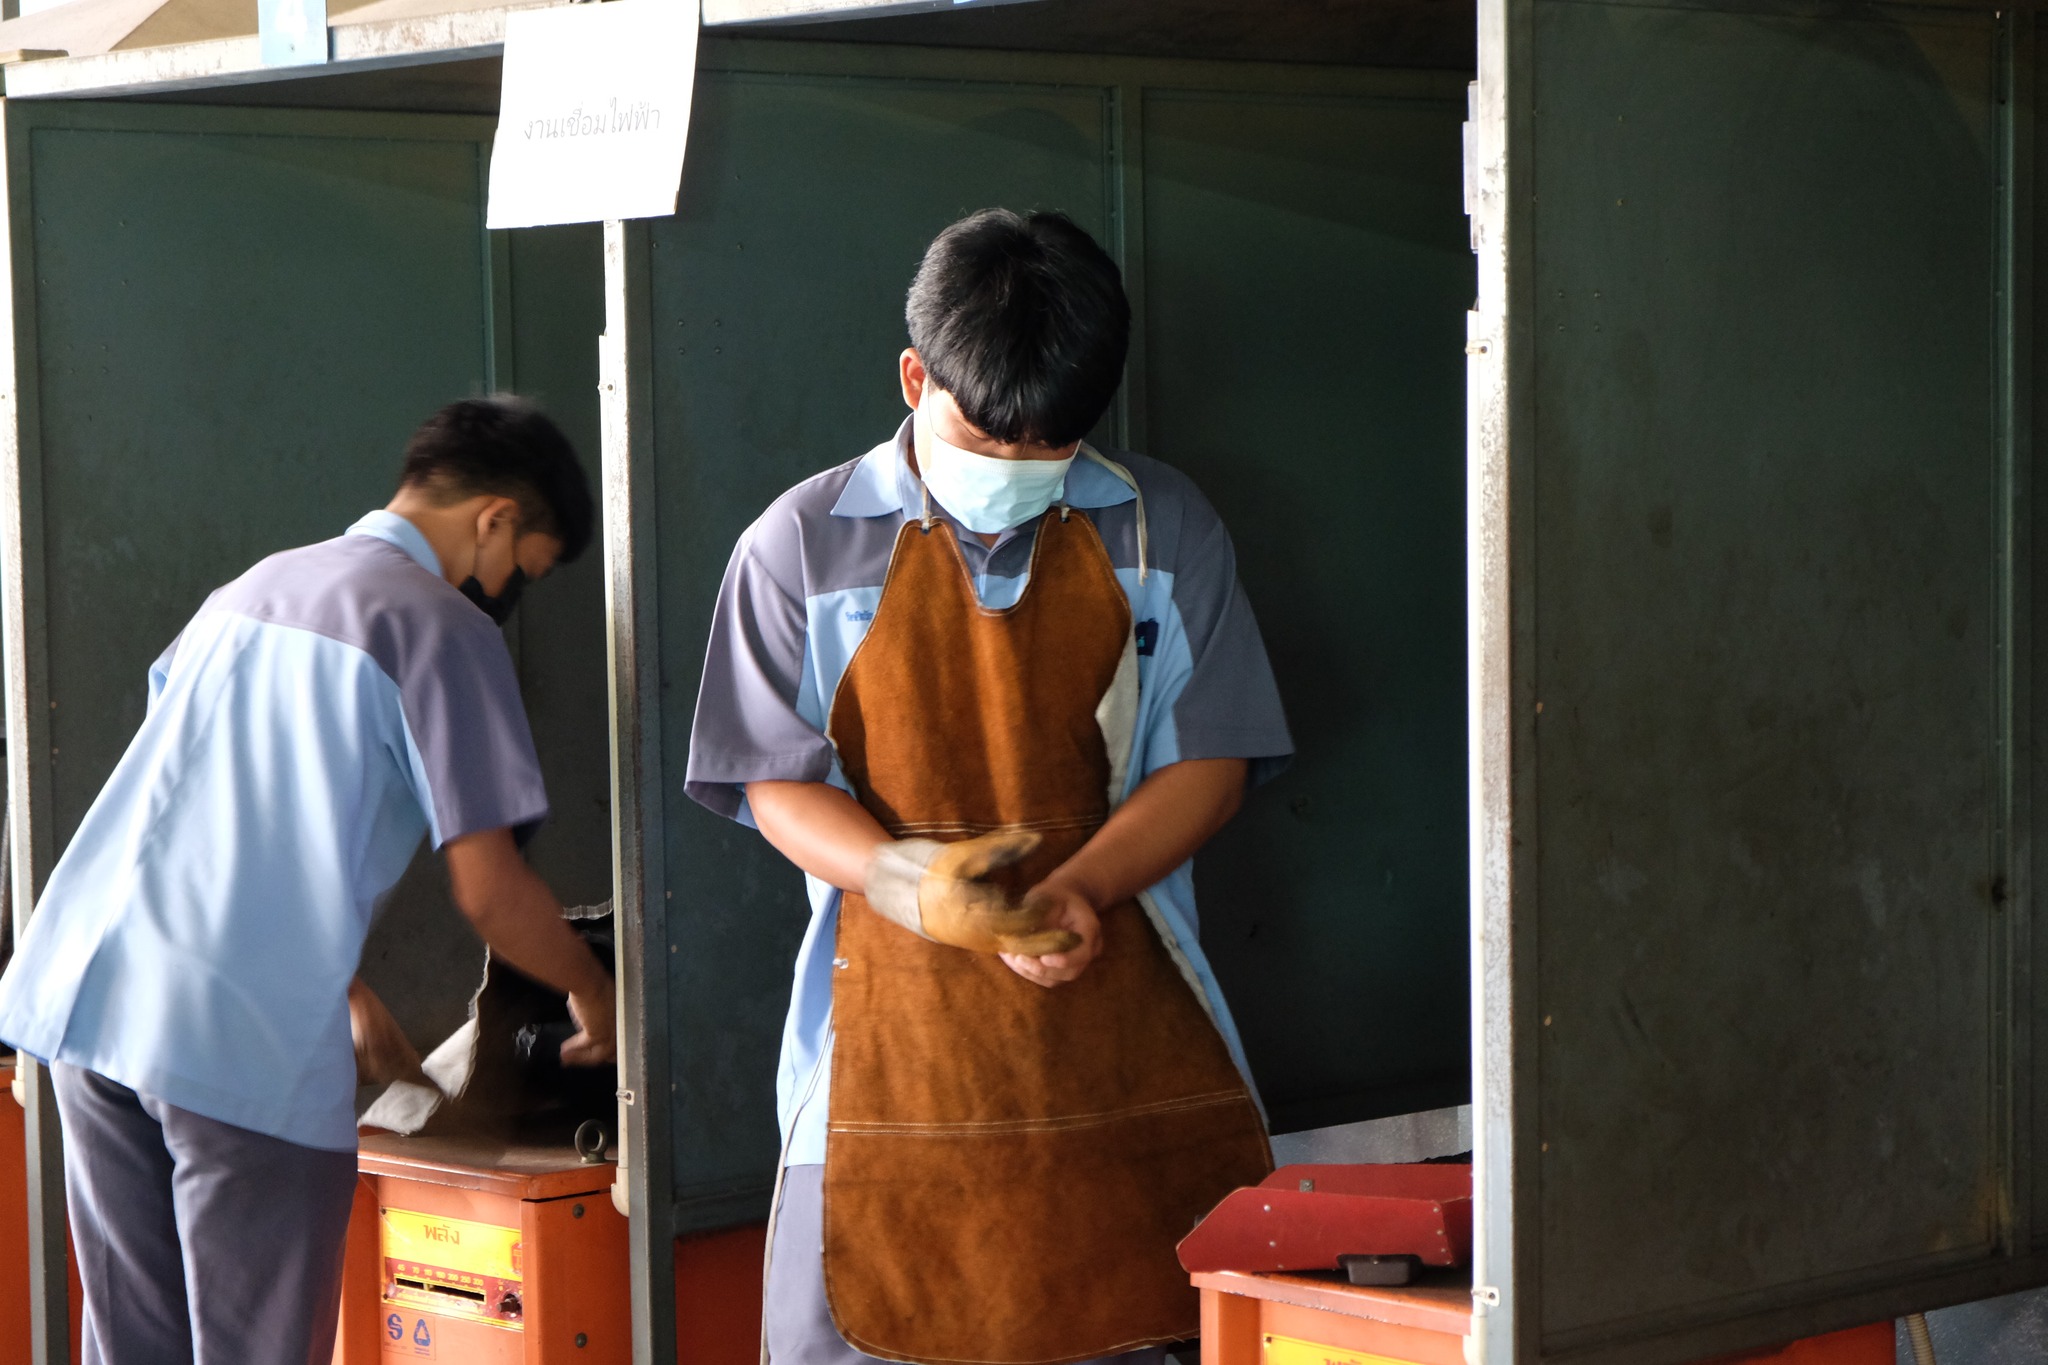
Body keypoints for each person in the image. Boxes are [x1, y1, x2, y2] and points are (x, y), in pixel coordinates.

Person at [687, 209, 1293, 1365]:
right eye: (987, 435)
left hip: (1130, 1045)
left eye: (1049, 444)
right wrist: (910, 884)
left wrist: (1077, 889)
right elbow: (774, 786)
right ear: (914, 376)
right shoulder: (799, 547)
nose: (1016, 465)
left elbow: (1210, 760)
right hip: (879, 1068)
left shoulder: (1166, 527)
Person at [0, 396, 619, 1365]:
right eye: (518, 571)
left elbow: (206, 819)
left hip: (88, 1005)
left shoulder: (250, 590)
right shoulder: (441, 630)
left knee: (134, 1347)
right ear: (494, 517)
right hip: (230, 1047)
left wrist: (339, 980)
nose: (503, 593)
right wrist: (593, 992)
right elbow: (490, 889)